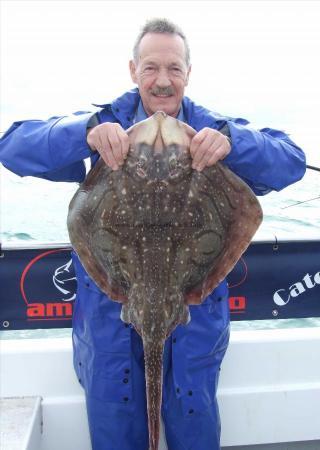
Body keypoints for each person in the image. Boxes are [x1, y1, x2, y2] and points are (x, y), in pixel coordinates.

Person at [0, 18, 306, 450]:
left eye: (174, 68)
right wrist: (83, 135)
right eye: (150, 68)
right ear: (133, 70)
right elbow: (12, 146)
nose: (162, 80)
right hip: (110, 332)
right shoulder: (104, 127)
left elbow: (291, 160)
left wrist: (234, 143)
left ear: (187, 73)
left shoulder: (213, 130)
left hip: (193, 325)